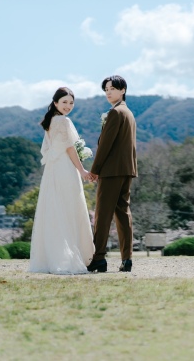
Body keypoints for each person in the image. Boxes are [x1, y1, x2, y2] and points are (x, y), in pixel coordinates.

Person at [29, 87, 95, 274]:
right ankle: (70, 257)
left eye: (71, 103)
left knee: (55, 209)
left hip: (52, 170)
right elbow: (69, 148)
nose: (68, 106)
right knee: (69, 207)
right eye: (64, 102)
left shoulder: (51, 121)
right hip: (65, 168)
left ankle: (52, 257)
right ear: (56, 102)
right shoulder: (63, 121)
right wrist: (82, 170)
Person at [86, 75, 137, 273]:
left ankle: (99, 258)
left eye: (112, 88)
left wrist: (95, 170)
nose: (108, 92)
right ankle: (127, 259)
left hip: (112, 171)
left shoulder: (115, 113)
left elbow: (105, 145)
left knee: (103, 214)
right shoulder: (129, 113)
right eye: (106, 89)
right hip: (127, 170)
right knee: (123, 214)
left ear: (123, 89)